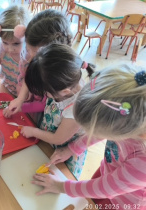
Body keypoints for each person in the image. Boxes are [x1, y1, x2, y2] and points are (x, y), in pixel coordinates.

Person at [32, 64, 146, 209]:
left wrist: (60, 186)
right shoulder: (129, 122)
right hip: (107, 172)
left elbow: (104, 188)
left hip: (127, 202)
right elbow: (99, 132)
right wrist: (72, 149)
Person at [20, 43, 95, 179]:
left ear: (64, 91)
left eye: (46, 92)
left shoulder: (75, 109)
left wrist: (33, 131)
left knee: (58, 178)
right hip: (49, 141)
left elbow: (58, 139)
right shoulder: (63, 83)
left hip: (64, 152)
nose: (44, 95)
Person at [3, 9, 73, 119]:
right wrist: (20, 99)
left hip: (44, 115)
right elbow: (28, 75)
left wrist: (22, 107)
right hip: (30, 107)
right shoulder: (39, 60)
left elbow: (43, 105)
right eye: (27, 49)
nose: (29, 57)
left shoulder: (56, 77)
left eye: (33, 53)